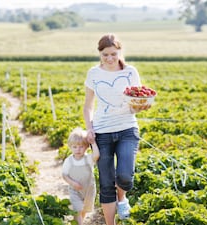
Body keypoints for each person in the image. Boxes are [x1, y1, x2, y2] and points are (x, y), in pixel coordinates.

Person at [83, 34, 151, 225]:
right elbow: (88, 106)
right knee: (106, 184)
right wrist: (90, 129)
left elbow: (135, 102)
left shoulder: (130, 72)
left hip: (127, 129)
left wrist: (141, 106)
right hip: (102, 132)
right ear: (99, 54)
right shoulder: (94, 74)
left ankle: (122, 198)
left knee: (125, 177)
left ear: (120, 52)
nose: (110, 58)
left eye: (113, 54)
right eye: (105, 55)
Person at [62, 127, 100, 225]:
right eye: (74, 147)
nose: (78, 149)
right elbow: (64, 175)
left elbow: (96, 155)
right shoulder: (69, 161)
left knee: (84, 210)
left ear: (86, 147)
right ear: (70, 147)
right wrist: (72, 183)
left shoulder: (88, 158)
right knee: (77, 209)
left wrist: (93, 142)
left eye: (81, 147)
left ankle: (79, 222)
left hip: (89, 190)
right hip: (75, 189)